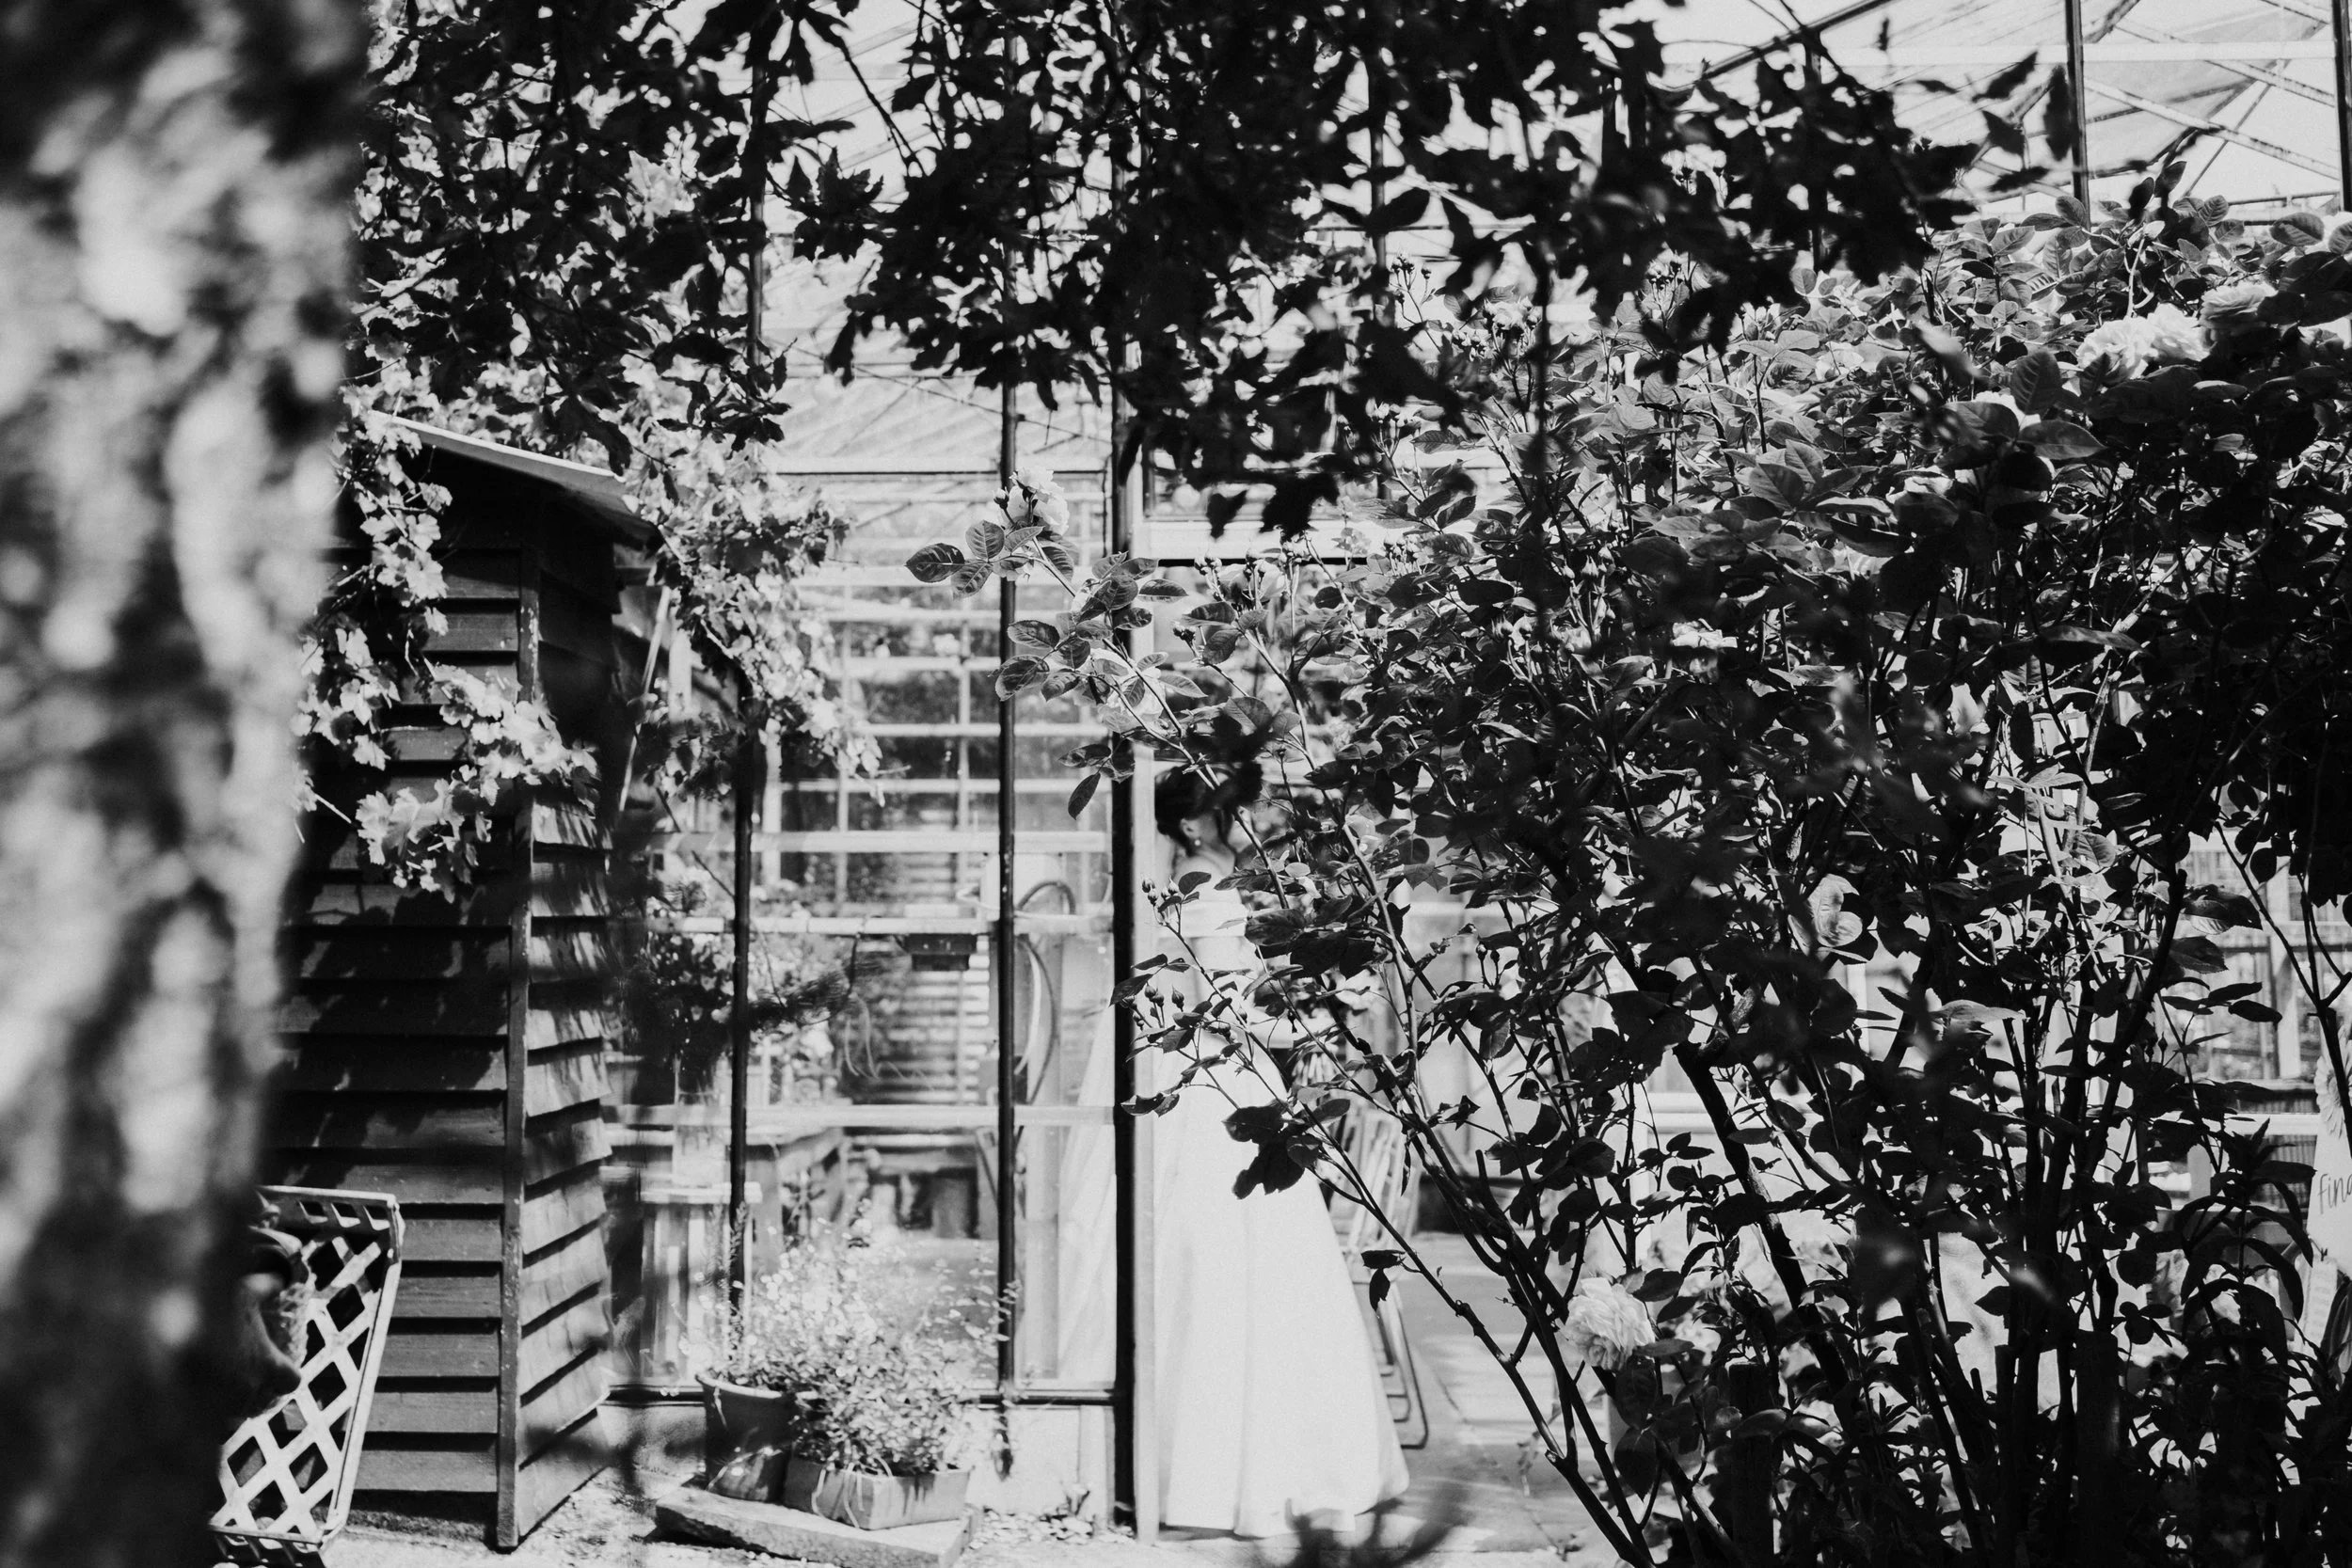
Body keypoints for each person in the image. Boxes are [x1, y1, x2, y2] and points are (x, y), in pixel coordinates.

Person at [1143, 763, 1409, 1538]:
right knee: (1241, 1259)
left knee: (1239, 1260)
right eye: (1226, 806)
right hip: (1219, 1082)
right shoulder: (1203, 888)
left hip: (1223, 1075)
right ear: (1192, 823)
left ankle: (1212, 1460)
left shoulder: (1197, 885)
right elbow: (1218, 1009)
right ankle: (1249, 1465)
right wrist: (1316, 1013)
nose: (1243, 816)